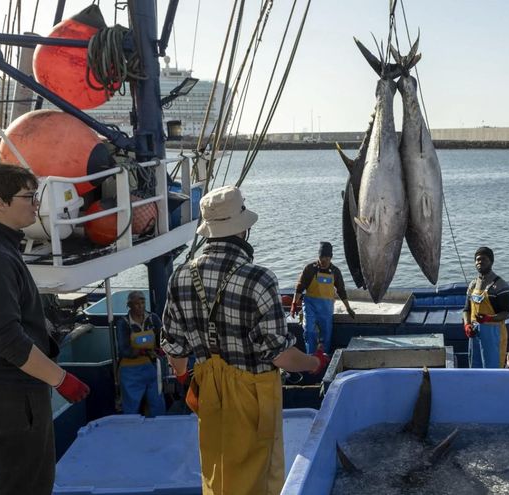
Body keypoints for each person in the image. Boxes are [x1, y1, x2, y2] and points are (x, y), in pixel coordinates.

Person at [161, 185, 328, 495]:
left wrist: (185, 375)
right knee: (260, 478)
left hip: (210, 391)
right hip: (254, 397)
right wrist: (313, 362)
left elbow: (174, 349)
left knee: (216, 472)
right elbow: (279, 355)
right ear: (243, 230)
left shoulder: (180, 277)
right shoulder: (259, 279)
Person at [0, 163, 90, 495]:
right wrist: (61, 378)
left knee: (0, 481)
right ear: (0, 203)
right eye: (29, 196)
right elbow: (3, 336)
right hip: (9, 396)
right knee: (28, 484)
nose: (36, 204)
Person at [289, 242, 356, 354]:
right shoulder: (310, 269)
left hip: (326, 309)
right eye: (321, 257)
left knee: (326, 334)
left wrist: (348, 308)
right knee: (309, 331)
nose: (324, 260)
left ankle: (324, 358)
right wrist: (294, 304)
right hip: (310, 306)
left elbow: (341, 291)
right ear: (318, 256)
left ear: (331, 257)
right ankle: (310, 357)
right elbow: (299, 288)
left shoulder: (335, 271)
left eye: (327, 258)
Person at [115, 290, 166, 416]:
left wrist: (163, 349)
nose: (141, 305)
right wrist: (144, 351)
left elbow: (162, 339)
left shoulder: (153, 319)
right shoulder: (123, 323)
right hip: (130, 371)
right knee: (131, 406)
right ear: (129, 305)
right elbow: (124, 349)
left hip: (152, 368)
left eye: (143, 301)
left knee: (157, 403)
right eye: (136, 303)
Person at [462, 247, 509, 368]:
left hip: (493, 334)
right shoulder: (473, 285)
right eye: (477, 260)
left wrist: (488, 318)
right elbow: (466, 310)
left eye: (484, 259)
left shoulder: (500, 285)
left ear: (491, 261)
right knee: (475, 368)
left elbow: (506, 313)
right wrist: (467, 325)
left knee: (493, 369)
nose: (480, 262)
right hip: (475, 334)